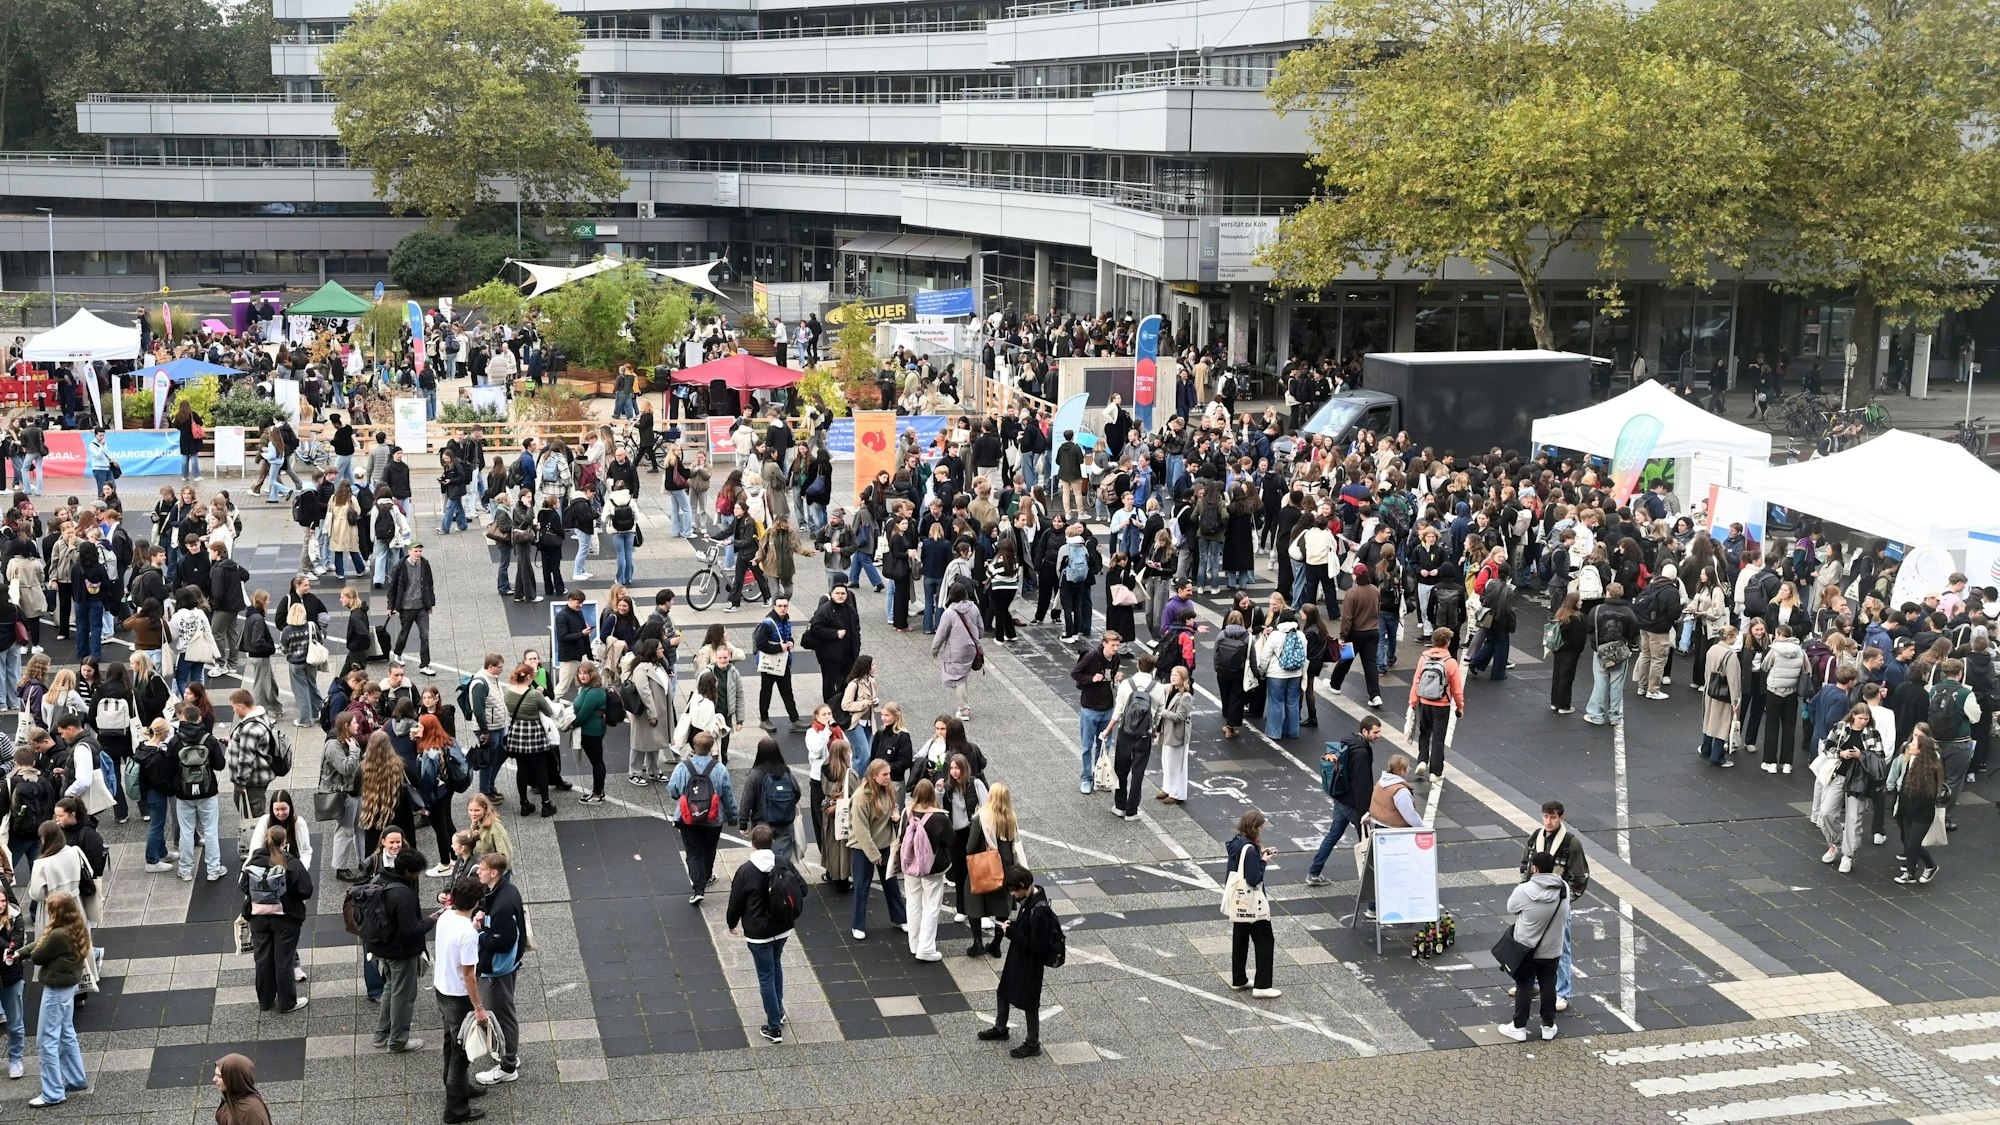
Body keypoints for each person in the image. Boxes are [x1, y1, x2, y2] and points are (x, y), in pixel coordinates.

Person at [976, 864, 1061, 1059]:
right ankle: (1000, 1027)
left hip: (1030, 963)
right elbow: (1027, 929)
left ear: (1024, 885)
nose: (1013, 895)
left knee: (1030, 1002)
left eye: (1015, 890)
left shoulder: (1040, 911)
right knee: (1004, 990)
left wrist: (1012, 932)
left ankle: (1033, 1043)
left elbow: (1036, 946)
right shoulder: (1031, 897)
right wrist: (1014, 926)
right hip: (1018, 956)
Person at [1513, 801, 1588, 1015]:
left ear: (1561, 818)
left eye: (1553, 817)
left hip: (1556, 905)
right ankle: (1533, 983)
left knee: (1561, 948)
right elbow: (1524, 865)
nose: (1548, 821)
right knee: (1530, 944)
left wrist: (1564, 901)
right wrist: (1524, 889)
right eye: (1545, 816)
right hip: (1534, 901)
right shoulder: (1535, 837)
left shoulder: (1571, 844)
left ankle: (1562, 991)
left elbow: (1580, 878)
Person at [727, 823, 799, 1045]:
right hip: (782, 927)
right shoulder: (783, 862)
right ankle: (779, 1010)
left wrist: (731, 923)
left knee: (766, 975)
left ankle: (774, 1027)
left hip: (759, 934)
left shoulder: (746, 871)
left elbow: (736, 902)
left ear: (753, 844)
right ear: (772, 841)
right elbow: (801, 888)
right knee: (776, 965)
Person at [1497, 851, 1571, 1042]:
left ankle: (1519, 1027)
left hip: (1527, 948)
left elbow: (1511, 908)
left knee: (1524, 986)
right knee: (1548, 985)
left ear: (1534, 868)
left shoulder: (1524, 890)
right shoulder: (1563, 888)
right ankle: (1548, 1026)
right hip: (1553, 948)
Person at [23, 891, 87, 1107]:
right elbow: (42, 944)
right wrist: (20, 953)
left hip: (56, 990)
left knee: (46, 1041)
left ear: (55, 912)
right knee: (66, 1032)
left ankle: (52, 1092)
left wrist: (23, 954)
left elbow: (39, 954)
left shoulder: (58, 934)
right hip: (68, 987)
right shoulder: (76, 926)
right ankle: (76, 1078)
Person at [434, 876, 490, 1124]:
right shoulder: (468, 933)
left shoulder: (446, 916)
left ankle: (458, 1086)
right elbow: (469, 976)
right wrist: (479, 1007)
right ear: (477, 902)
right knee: (462, 1052)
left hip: (441, 989)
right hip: (458, 997)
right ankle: (456, 1109)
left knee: (450, 1041)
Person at [241, 823, 313, 1014]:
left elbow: (243, 886)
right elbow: (306, 890)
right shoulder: (290, 862)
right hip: (286, 919)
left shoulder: (255, 859)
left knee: (263, 958)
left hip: (258, 917)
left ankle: (265, 1001)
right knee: (284, 960)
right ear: (285, 842)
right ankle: (287, 1002)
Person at [365, 846, 431, 1052]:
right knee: (404, 997)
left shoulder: (380, 880)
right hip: (401, 952)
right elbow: (411, 930)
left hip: (382, 947)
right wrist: (432, 920)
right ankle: (398, 1041)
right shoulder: (404, 894)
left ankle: (381, 1035)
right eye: (418, 872)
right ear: (410, 872)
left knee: (389, 990)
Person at [1305, 716, 1381, 886]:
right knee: (1367, 843)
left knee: (1333, 835)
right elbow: (1361, 785)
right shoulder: (1361, 752)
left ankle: (1314, 873)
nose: (1378, 735)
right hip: (1353, 804)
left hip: (1340, 798)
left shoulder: (1349, 741)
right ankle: (1370, 884)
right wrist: (1364, 812)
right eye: (1375, 732)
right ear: (1365, 731)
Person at [473, 852, 527, 1088]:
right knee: (503, 1012)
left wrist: (480, 932)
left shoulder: (502, 903)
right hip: (507, 965)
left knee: (502, 1014)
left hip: (498, 970)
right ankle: (506, 1053)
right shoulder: (506, 890)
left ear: (494, 872)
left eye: (482, 869)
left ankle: (508, 1066)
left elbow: (501, 941)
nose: (478, 872)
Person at [666, 732, 737, 905]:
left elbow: (673, 790)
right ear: (712, 747)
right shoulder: (719, 768)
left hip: (688, 818)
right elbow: (727, 795)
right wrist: (733, 816)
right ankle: (706, 876)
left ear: (693, 747)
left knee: (693, 852)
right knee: (709, 850)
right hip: (713, 818)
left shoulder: (683, 767)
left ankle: (698, 888)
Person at [1816, 702, 1886, 874]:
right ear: (1853, 715)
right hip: (1839, 774)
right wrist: (1841, 753)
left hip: (1859, 780)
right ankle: (1836, 842)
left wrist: (1861, 755)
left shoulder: (1873, 733)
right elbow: (1827, 746)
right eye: (1861, 718)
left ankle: (1848, 854)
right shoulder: (1840, 727)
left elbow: (1880, 757)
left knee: (1854, 818)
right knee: (1826, 812)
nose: (1863, 722)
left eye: (1866, 719)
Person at [1358, 754, 1426, 922]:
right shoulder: (1400, 791)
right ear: (1402, 770)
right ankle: (1399, 905)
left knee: (1379, 870)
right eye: (1408, 767)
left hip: (1379, 830)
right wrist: (1424, 829)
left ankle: (1373, 907)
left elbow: (1375, 804)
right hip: (1395, 834)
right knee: (1397, 871)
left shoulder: (1381, 783)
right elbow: (1410, 815)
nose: (1409, 770)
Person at [963, 782, 1025, 958]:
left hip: (984, 868)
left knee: (974, 903)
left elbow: (970, 847)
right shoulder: (1010, 817)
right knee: (1002, 909)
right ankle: (996, 945)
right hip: (1006, 871)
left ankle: (977, 943)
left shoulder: (981, 817)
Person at [847, 756, 906, 939]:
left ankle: (900, 918)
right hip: (862, 848)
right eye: (885, 774)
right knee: (862, 886)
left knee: (891, 884)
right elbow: (861, 830)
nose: (889, 777)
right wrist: (873, 854)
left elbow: (893, 805)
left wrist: (894, 813)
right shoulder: (860, 798)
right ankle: (858, 925)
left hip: (884, 844)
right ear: (874, 776)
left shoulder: (887, 789)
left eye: (889, 773)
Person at [1225, 810, 1280, 999]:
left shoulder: (1237, 843)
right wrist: (1263, 861)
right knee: (1265, 941)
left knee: (1240, 939)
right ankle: (1263, 986)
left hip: (1238, 903)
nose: (1262, 831)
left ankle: (1238, 978)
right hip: (1252, 904)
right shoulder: (1249, 850)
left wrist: (1260, 854)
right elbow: (1254, 879)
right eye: (1261, 828)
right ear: (1254, 828)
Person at [171, 703, 229, 882]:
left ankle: (185, 870)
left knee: (186, 832)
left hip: (184, 794)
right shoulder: (208, 739)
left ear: (183, 718)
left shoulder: (176, 740)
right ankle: (213, 869)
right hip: (207, 791)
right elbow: (220, 765)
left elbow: (169, 767)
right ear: (200, 718)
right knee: (210, 831)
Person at [899, 779, 953, 962]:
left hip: (910, 867)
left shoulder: (907, 812)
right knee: (931, 906)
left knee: (913, 903)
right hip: (932, 869)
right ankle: (926, 947)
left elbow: (900, 837)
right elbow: (950, 840)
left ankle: (914, 944)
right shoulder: (940, 818)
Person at [1888, 729, 1946, 884]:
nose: (1909, 745)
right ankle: (1910, 873)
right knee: (1908, 842)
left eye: (1913, 744)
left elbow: (1928, 796)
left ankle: (1931, 865)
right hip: (1907, 809)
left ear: (1921, 750)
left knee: (1914, 844)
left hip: (1922, 813)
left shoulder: (1930, 769)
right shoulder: (1911, 761)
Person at [1406, 628, 1464, 780]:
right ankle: (1435, 772)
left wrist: (1413, 701)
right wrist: (1460, 707)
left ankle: (1422, 761)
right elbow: (1457, 689)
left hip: (1424, 702)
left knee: (1424, 733)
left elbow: (1416, 681)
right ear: (1447, 642)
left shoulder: (1424, 658)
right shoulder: (1450, 662)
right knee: (1438, 738)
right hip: (1442, 704)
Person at [1071, 632, 1122, 795]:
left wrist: (1116, 676)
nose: (1115, 648)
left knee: (1104, 746)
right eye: (1113, 645)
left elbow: (1111, 677)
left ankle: (1100, 776)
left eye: (1117, 645)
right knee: (1087, 746)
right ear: (1104, 643)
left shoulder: (1116, 659)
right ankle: (1086, 778)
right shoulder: (1091, 657)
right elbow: (1075, 673)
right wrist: (1092, 678)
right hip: (1090, 708)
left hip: (1107, 707)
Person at [1585, 583, 1640, 728]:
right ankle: (1615, 715)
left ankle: (1596, 714)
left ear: (1608, 593)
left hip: (1600, 651)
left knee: (1600, 682)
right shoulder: (1628, 612)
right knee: (1616, 684)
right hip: (1619, 652)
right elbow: (1634, 630)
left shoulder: (1597, 610)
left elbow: (1589, 627)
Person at [1759, 624, 1809, 773]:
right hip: (1792, 692)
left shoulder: (1774, 650)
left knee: (1771, 727)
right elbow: (1806, 670)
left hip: (1774, 691)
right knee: (1789, 728)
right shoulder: (1801, 651)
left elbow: (1765, 666)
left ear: (1779, 635)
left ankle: (1770, 761)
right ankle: (1787, 763)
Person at [752, 598, 806, 732]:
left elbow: (787, 636)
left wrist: (790, 642)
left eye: (785, 606)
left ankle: (794, 719)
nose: (783, 608)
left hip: (783, 663)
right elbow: (760, 644)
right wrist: (779, 648)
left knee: (787, 692)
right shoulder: (767, 623)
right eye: (780, 606)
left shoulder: (786, 620)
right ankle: (764, 719)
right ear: (774, 606)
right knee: (766, 692)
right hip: (770, 664)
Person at [384, 541, 438, 675]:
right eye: (415, 551)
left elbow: (429, 584)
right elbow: (393, 587)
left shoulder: (425, 564)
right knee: (404, 633)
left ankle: (424, 665)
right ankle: (397, 652)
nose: (418, 554)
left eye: (420, 551)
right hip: (406, 607)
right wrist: (390, 606)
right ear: (409, 552)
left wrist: (430, 604)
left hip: (421, 607)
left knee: (424, 636)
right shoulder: (400, 566)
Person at [932, 585, 982, 721]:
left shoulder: (949, 613)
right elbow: (980, 627)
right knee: (964, 675)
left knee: (958, 678)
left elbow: (941, 633)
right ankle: (965, 704)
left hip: (956, 649)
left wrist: (935, 649)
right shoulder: (974, 608)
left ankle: (963, 709)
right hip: (971, 648)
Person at [1699, 625, 1743, 766]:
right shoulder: (1730, 656)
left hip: (1710, 690)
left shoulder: (1712, 649)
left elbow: (1707, 671)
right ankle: (1717, 757)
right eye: (1735, 636)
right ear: (1729, 637)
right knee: (1722, 725)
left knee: (1710, 720)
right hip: (1723, 696)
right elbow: (1733, 681)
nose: (1736, 639)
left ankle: (1706, 748)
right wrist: (1736, 702)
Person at [211, 1052, 272, 1125]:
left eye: (219, 1076)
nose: (214, 1079)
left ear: (234, 1079)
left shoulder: (251, 1110)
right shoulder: (231, 1096)